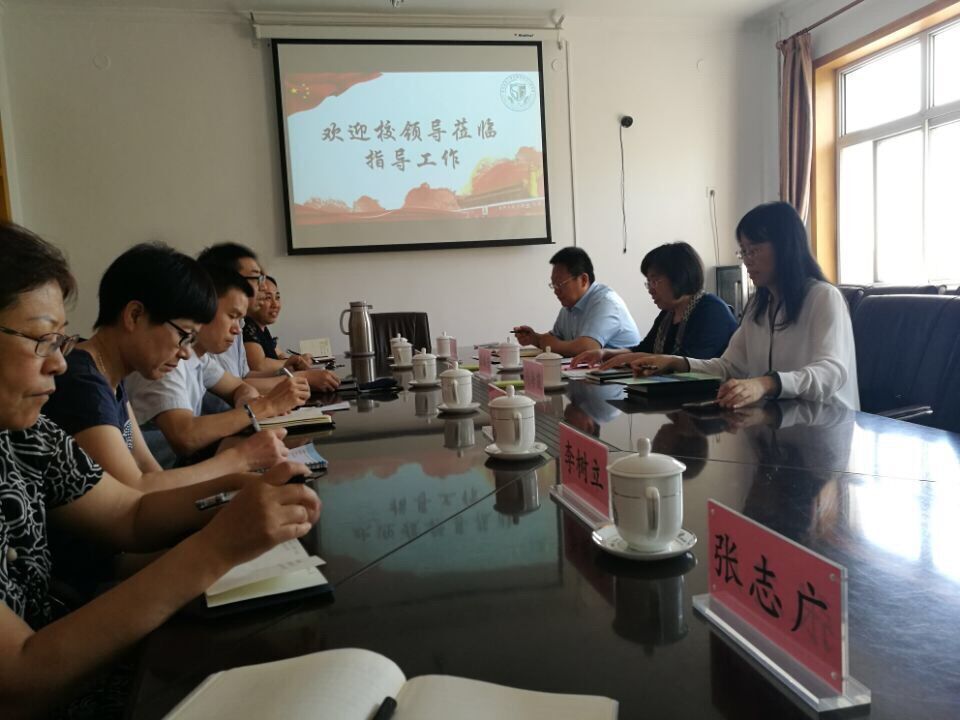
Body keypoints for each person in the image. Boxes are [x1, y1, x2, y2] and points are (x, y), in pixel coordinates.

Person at [0, 222, 319, 717]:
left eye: (60, 342)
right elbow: (19, 680)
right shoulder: (72, 389)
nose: (58, 363)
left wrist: (236, 488)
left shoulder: (24, 432)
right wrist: (217, 546)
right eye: (42, 340)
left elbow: (128, 510)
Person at [44, 243, 289, 491]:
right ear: (134, 315)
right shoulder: (82, 381)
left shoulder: (110, 375)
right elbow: (136, 489)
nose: (185, 353)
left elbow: (148, 469)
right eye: (184, 335)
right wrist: (239, 459)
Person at [615, 202, 859, 409]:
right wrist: (676, 363)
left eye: (754, 250)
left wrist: (767, 383)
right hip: (777, 424)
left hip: (826, 425)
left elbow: (830, 372)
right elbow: (730, 366)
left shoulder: (822, 298)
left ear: (785, 247)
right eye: (743, 252)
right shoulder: (758, 306)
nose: (747, 261)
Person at [127, 265, 311, 460]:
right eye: (232, 316)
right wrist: (265, 406)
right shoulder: (167, 360)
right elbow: (186, 437)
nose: (237, 330)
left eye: (240, 320)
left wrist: (249, 406)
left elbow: (240, 387)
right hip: (173, 469)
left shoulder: (199, 357)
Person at [196, 243, 339, 392]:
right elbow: (238, 385)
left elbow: (244, 377)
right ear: (227, 281)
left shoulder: (239, 324)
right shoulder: (212, 334)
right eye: (256, 278)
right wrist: (301, 378)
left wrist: (285, 372)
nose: (263, 287)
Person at [571, 242, 737, 369]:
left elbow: (692, 363)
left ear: (678, 277)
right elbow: (644, 349)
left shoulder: (711, 311)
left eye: (655, 281)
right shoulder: (668, 314)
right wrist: (604, 354)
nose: (650, 289)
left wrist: (631, 359)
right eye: (648, 282)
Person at [513, 246, 640, 357]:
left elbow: (587, 348)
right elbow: (554, 339)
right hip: (593, 372)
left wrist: (551, 346)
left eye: (560, 284)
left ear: (583, 280)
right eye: (553, 285)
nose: (556, 291)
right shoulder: (568, 307)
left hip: (625, 373)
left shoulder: (606, 302)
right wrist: (535, 338)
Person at [243, 275, 294, 372]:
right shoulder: (247, 326)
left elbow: (279, 353)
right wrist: (292, 362)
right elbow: (259, 366)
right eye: (268, 298)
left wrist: (296, 360)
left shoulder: (262, 328)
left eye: (277, 297)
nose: (275, 304)